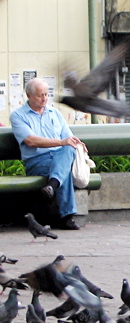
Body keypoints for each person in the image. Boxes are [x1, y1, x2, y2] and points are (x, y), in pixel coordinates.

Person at [10, 78, 84, 230]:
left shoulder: (55, 113)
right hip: (37, 161)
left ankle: (52, 185)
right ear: (29, 95)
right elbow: (31, 141)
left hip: (59, 157)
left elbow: (69, 139)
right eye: (40, 95)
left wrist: (77, 143)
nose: (44, 98)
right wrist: (61, 142)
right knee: (64, 170)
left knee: (68, 151)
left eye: (46, 94)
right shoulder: (18, 116)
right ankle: (66, 217)